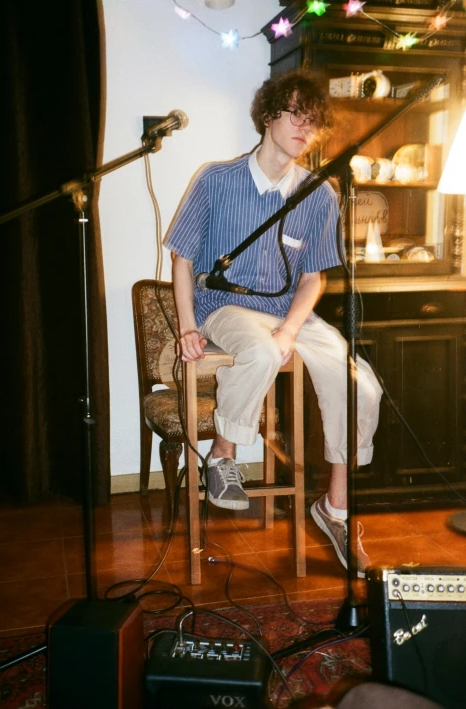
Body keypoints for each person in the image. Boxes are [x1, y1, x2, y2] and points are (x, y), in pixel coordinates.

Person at [164, 69, 382, 575]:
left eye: (313, 121)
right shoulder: (216, 180)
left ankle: (335, 509)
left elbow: (314, 278)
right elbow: (181, 258)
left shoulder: (319, 194)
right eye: (295, 115)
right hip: (224, 304)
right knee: (260, 351)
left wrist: (288, 329)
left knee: (361, 385)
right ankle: (222, 455)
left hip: (289, 311)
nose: (304, 128)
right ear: (268, 115)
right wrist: (186, 328)